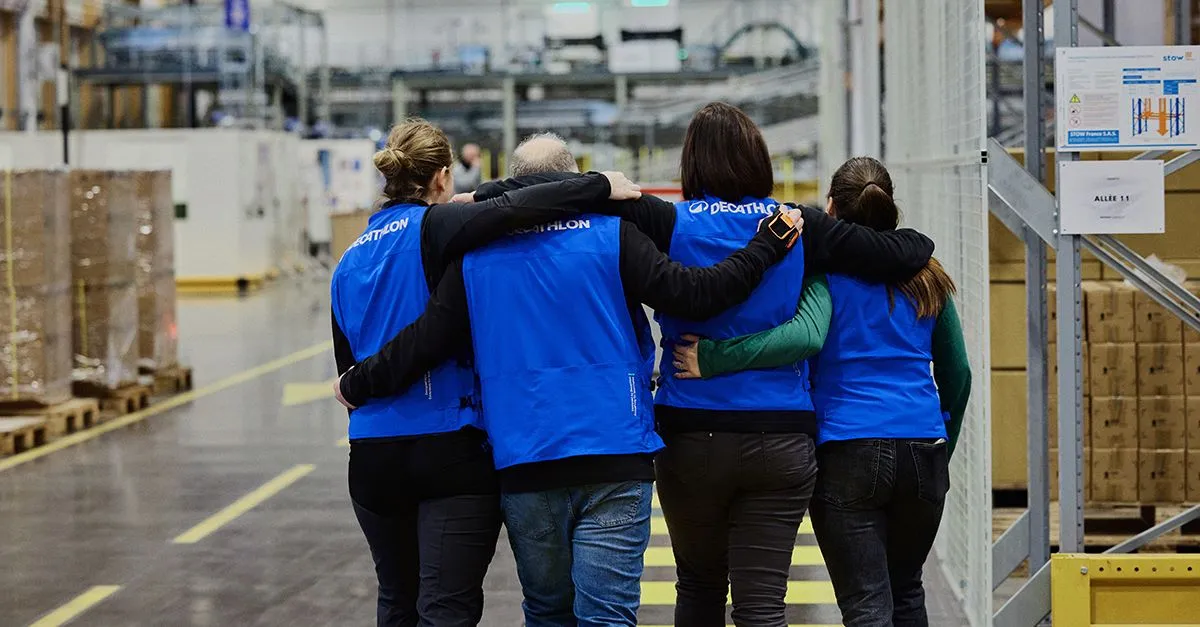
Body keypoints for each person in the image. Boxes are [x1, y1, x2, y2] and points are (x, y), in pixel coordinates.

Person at [466, 105, 937, 627]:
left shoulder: (665, 219)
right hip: (780, 435)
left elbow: (553, 195)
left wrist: (501, 193)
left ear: (691, 161)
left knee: (698, 585)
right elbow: (906, 250)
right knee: (763, 607)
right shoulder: (797, 224)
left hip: (691, 433)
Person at [335, 132, 805, 627]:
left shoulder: (473, 256)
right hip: (615, 452)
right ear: (571, 178)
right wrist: (764, 247)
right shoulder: (614, 236)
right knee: (607, 617)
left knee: (546, 613)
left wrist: (356, 382)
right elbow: (699, 294)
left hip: (524, 459)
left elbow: (428, 339)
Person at [330, 119, 646, 627]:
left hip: (370, 460)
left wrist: (356, 385)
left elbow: (347, 365)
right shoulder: (435, 227)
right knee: (445, 610)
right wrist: (598, 185)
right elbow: (520, 207)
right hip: (445, 448)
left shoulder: (348, 259)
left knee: (396, 601)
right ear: (442, 176)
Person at [671, 156, 972, 627]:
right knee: (907, 591)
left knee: (867, 604)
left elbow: (800, 337)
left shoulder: (822, 273)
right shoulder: (929, 277)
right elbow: (959, 374)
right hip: (922, 446)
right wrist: (938, 445)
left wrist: (713, 357)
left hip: (847, 447)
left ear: (830, 208)